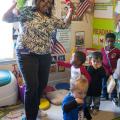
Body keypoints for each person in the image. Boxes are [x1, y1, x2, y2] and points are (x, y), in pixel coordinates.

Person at [2, 0, 73, 120]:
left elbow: (65, 25)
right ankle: (30, 116)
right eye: (44, 0)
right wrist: (14, 5)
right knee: (32, 86)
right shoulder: (27, 12)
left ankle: (35, 108)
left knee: (42, 85)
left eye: (50, 2)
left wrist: (71, 11)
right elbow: (6, 18)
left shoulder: (50, 18)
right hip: (26, 53)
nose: (47, 3)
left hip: (44, 54)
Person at [101, 33, 120, 103]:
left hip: (114, 71)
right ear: (105, 41)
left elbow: (119, 61)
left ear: (114, 41)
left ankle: (114, 96)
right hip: (105, 71)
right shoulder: (103, 50)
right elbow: (101, 61)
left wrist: (116, 69)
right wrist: (105, 70)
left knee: (113, 84)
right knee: (104, 83)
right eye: (108, 41)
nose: (110, 43)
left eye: (112, 41)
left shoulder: (117, 50)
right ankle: (104, 95)